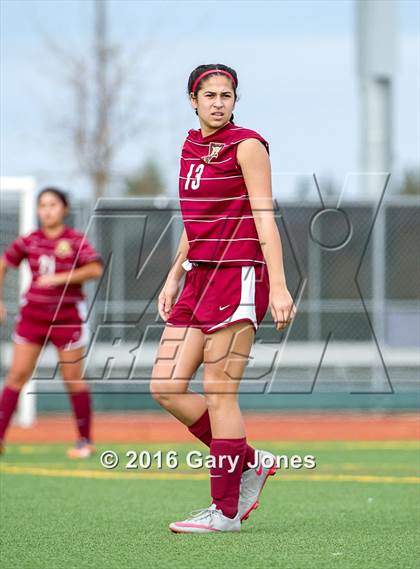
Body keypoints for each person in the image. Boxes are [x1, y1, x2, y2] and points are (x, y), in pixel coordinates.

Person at [150, 64, 296, 534]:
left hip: (238, 277)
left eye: (226, 95)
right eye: (209, 94)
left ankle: (225, 512)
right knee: (166, 386)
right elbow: (197, 223)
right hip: (196, 279)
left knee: (219, 393)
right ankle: (250, 463)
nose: (218, 102)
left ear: (236, 100)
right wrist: (174, 274)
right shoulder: (189, 146)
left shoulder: (248, 145)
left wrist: (278, 284)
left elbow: (264, 219)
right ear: (192, 100)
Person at [0, 187, 103, 458]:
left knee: (73, 379)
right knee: (16, 376)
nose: (47, 210)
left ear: (64, 208)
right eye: (42, 205)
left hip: (67, 319)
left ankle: (85, 441)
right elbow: (3, 263)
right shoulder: (29, 241)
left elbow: (95, 269)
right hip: (32, 318)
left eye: (53, 205)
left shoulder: (75, 239)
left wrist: (60, 278)